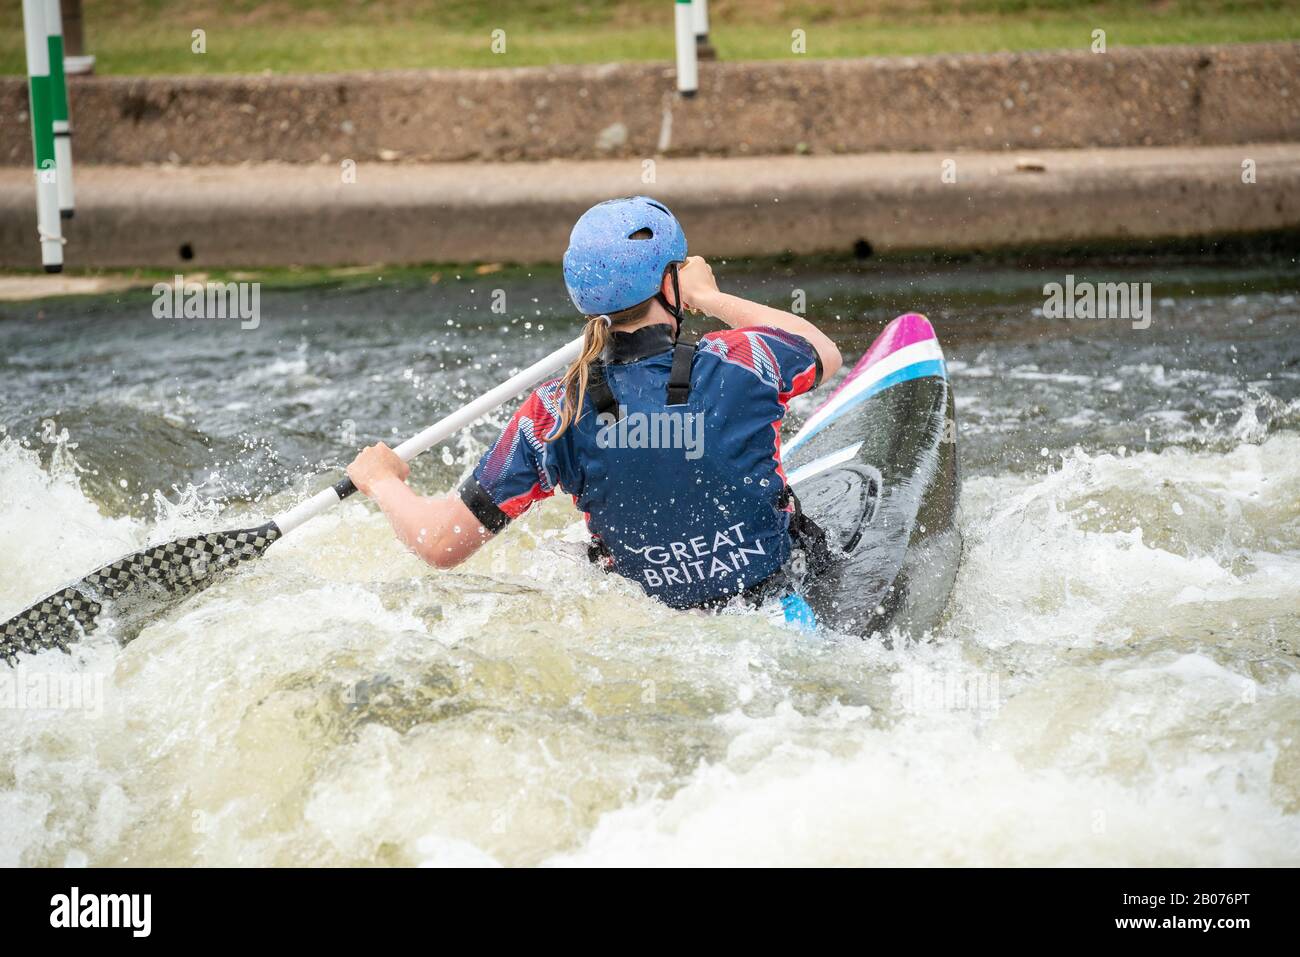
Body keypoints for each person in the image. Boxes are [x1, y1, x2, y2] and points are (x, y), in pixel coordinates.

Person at [346, 196, 841, 616]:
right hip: (779, 607)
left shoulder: (553, 413)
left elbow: (439, 542)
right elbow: (822, 350)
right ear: (671, 286)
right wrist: (710, 296)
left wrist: (381, 480)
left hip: (650, 629)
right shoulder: (742, 361)